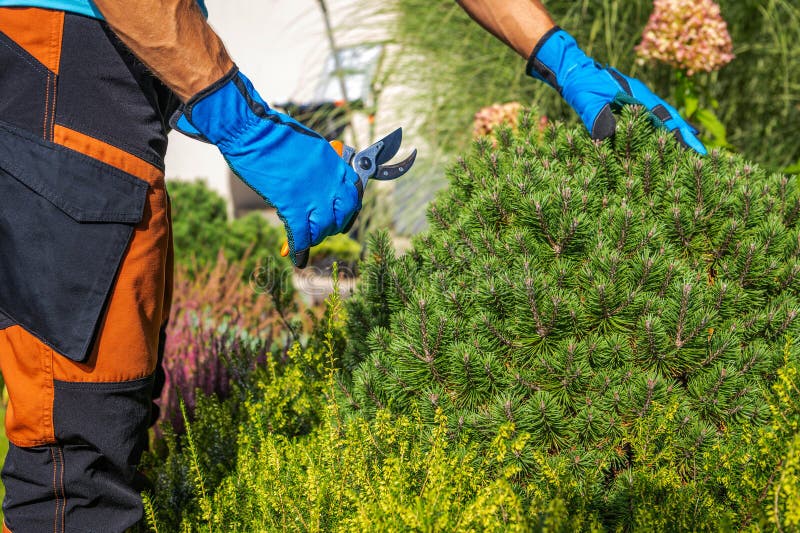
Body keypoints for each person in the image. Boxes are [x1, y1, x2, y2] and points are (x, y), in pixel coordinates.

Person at [0, 0, 705, 530]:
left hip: (91, 70)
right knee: (75, 463)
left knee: (98, 438)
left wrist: (563, 59)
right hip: (62, 59)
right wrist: (236, 118)